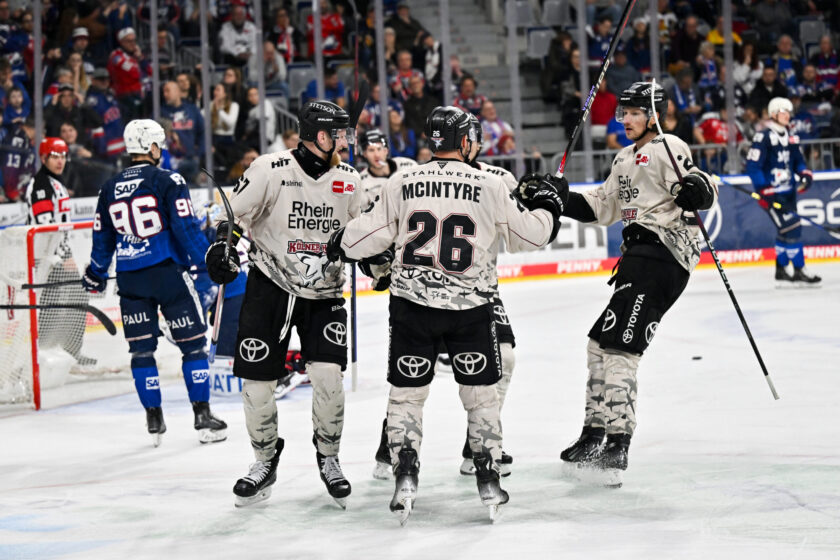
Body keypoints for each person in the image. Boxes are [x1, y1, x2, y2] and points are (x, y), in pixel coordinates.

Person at [325, 106, 566, 523]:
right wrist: (549, 204)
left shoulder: (403, 179)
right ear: (466, 141)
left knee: (407, 395)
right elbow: (531, 236)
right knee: (481, 396)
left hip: (411, 307)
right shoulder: (490, 183)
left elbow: (365, 238)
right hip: (470, 308)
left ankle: (405, 469)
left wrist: (339, 243)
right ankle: (487, 472)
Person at [555, 82, 716, 487]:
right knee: (598, 344)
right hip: (637, 260)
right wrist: (559, 198)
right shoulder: (624, 158)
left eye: (633, 113)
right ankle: (594, 433)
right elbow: (601, 207)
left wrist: (698, 190)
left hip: (663, 256)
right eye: (622, 112)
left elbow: (699, 184)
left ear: (653, 115)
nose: (624, 119)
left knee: (620, 349)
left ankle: (617, 442)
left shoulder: (667, 146)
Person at [205, 100, 361, 509]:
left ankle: (329, 457)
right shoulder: (269, 169)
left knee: (328, 376)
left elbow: (363, 232)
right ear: (319, 135)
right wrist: (222, 247)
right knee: (257, 382)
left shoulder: (350, 179)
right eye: (339, 134)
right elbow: (229, 215)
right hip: (269, 288)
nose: (345, 141)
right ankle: (264, 459)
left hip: (325, 293)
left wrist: (377, 258)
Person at [82, 119, 226, 447]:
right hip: (168, 275)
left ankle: (154, 418)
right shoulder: (168, 179)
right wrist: (209, 261)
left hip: (131, 279)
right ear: (152, 147)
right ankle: (202, 415)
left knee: (141, 351)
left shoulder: (109, 187)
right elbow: (185, 228)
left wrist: (96, 274)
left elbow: (102, 240)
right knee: (193, 346)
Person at [26, 138, 96, 367]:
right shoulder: (41, 185)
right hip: (46, 258)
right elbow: (47, 228)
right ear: (43, 158)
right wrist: (64, 258)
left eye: (63, 156)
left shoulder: (55, 183)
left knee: (74, 297)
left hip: (57, 256)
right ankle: (44, 352)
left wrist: (66, 256)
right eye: (55, 156)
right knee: (53, 303)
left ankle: (67, 350)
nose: (60, 161)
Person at [745, 97, 819, 285]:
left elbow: (798, 161)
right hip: (771, 194)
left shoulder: (791, 136)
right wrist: (763, 189)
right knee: (793, 227)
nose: (788, 115)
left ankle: (781, 270)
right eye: (783, 111)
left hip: (789, 192)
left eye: (788, 112)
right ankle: (799, 270)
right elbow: (753, 166)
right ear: (773, 114)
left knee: (785, 231)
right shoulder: (763, 137)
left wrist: (804, 174)